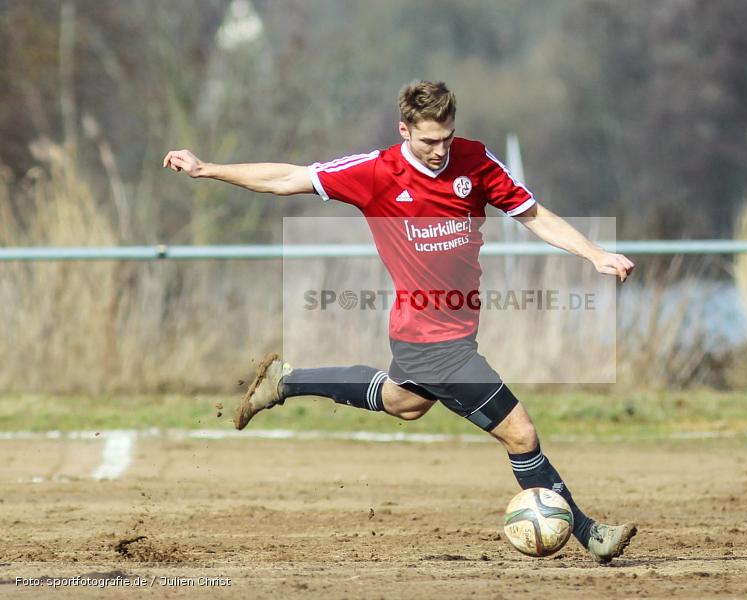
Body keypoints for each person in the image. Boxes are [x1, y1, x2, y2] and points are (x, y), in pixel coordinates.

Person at [163, 80, 637, 563]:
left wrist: (594, 253)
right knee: (521, 434)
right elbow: (289, 178)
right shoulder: (377, 171)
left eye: (447, 138)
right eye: (428, 141)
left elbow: (534, 214)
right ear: (404, 129)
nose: (439, 151)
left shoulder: (475, 161)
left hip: (449, 331)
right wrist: (207, 170)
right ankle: (588, 531)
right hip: (434, 341)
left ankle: (286, 382)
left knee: (406, 402)